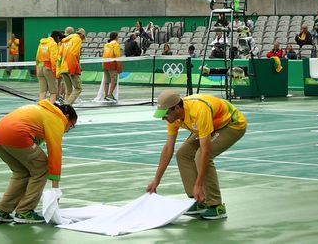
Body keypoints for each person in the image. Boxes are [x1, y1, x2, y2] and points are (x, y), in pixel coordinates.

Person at [146, 89, 247, 221]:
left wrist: (198, 185)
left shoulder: (198, 110)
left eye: (165, 114)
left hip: (231, 124)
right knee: (183, 154)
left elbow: (205, 151)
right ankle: (200, 201)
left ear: (176, 108)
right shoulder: (174, 119)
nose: (163, 118)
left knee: (201, 155)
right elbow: (168, 148)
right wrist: (156, 180)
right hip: (209, 125)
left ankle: (216, 205)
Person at [0, 100, 77, 224]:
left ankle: (1, 210)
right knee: (42, 168)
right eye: (71, 126)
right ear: (66, 117)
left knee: (21, 173)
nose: (67, 130)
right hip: (17, 134)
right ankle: (25, 211)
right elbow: (55, 152)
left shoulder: (41, 110)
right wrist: (55, 189)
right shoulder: (57, 119)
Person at [59, 27, 85, 106]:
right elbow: (75, 54)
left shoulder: (65, 41)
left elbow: (60, 55)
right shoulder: (77, 39)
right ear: (81, 34)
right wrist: (75, 68)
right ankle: (66, 105)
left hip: (63, 67)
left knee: (68, 90)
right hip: (71, 67)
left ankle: (65, 110)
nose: (83, 38)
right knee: (78, 88)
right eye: (83, 36)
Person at [36, 31, 63, 102]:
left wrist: (38, 68)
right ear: (57, 37)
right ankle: (51, 108)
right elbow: (53, 59)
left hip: (40, 67)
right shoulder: (53, 44)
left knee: (42, 90)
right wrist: (55, 72)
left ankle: (41, 107)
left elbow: (37, 57)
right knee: (53, 91)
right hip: (48, 68)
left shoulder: (41, 43)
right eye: (59, 39)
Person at [101, 32, 122, 102]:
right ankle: (110, 95)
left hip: (105, 63)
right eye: (118, 36)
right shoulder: (116, 44)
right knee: (114, 81)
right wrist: (119, 66)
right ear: (116, 37)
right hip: (112, 64)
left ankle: (106, 95)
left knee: (106, 81)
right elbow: (117, 55)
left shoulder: (106, 44)